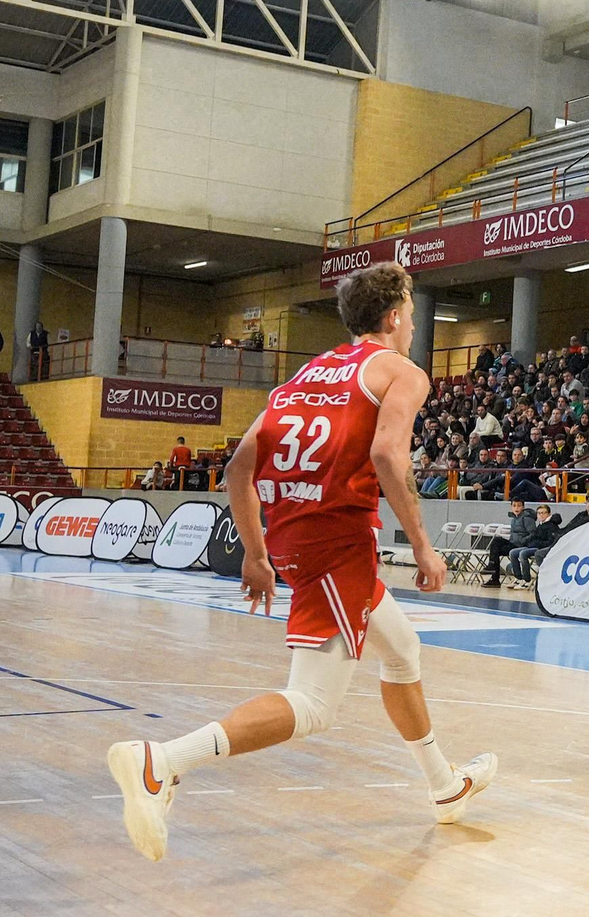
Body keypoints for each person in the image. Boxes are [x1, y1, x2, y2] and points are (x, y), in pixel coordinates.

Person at [108, 262, 496, 864]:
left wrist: (256, 554)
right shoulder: (402, 372)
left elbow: (238, 468)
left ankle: (444, 785)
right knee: (313, 705)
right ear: (395, 317)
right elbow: (388, 455)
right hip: (337, 543)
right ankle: (161, 762)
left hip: (293, 537)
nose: (415, 326)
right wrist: (422, 544)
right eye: (414, 315)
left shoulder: (305, 375)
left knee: (401, 650)